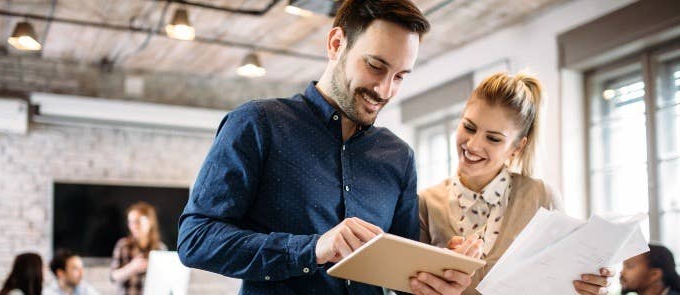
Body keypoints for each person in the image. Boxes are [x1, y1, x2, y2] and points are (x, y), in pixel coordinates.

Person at [176, 1, 474, 294]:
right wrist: (313, 248)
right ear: (335, 43)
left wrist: (436, 276)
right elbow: (196, 239)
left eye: (399, 77)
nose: (385, 90)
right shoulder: (258, 124)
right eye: (375, 66)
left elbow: (401, 275)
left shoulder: (399, 157)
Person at [414, 72, 614, 295]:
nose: (472, 144)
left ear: (517, 147)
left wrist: (590, 288)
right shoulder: (426, 203)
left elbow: (566, 283)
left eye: (493, 138)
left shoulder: (542, 197)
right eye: (469, 127)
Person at [110, 201, 166, 295]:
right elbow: (113, 277)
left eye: (137, 221)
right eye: (130, 222)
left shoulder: (160, 249)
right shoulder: (123, 245)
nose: (133, 226)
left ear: (150, 222)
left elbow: (165, 280)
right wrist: (132, 268)